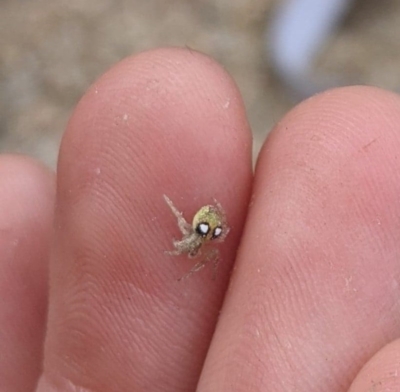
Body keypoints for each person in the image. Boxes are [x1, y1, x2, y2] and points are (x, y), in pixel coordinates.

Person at [2, 48, 400, 392]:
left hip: (208, 224)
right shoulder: (196, 238)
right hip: (206, 224)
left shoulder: (201, 238)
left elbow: (201, 236)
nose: (186, 248)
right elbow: (194, 234)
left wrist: (191, 231)